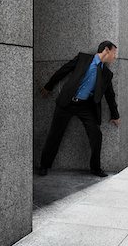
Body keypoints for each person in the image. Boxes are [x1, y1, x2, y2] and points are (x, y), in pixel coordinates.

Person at [39, 40, 120, 177]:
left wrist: (115, 114)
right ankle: (44, 165)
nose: (115, 56)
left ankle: (95, 168)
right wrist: (49, 86)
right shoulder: (83, 59)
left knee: (96, 135)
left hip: (86, 107)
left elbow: (110, 95)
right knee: (54, 135)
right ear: (106, 50)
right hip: (67, 103)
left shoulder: (106, 73)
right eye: (114, 52)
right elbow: (64, 70)